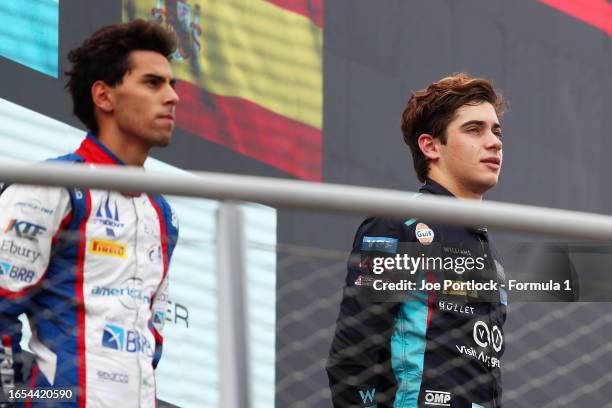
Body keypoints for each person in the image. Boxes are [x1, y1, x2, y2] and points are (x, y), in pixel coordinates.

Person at [0, 19, 179, 407]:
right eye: (152, 83)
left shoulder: (163, 213)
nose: (172, 97)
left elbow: (153, 338)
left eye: (172, 84)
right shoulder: (50, 187)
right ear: (104, 96)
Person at [327, 73, 507, 408]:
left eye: (496, 131)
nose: (494, 141)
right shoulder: (399, 225)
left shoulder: (486, 245)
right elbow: (353, 358)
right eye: (474, 129)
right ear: (430, 146)